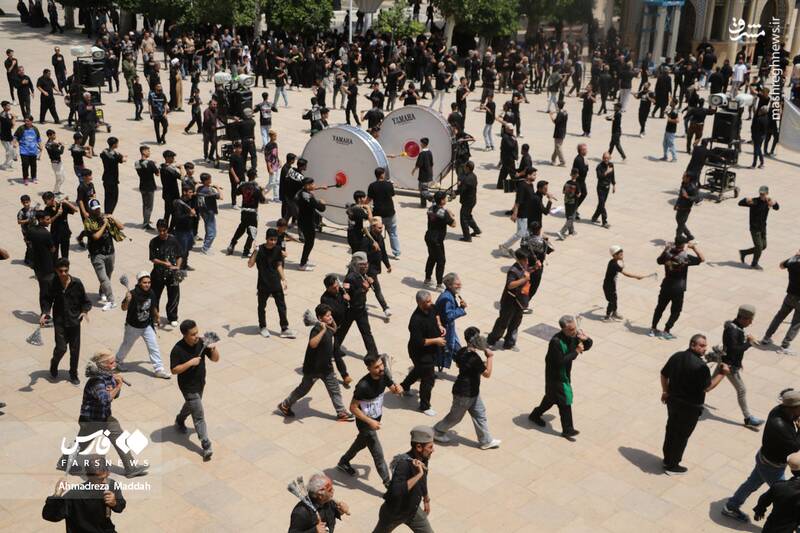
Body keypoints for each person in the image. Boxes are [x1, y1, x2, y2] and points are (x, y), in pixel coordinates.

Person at [57, 350, 149, 478]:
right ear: (103, 365)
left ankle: (131, 468)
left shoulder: (107, 377)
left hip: (104, 417)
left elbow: (113, 396)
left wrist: (115, 386)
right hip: (91, 421)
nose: (114, 364)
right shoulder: (96, 382)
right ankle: (64, 462)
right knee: (81, 444)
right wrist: (118, 386)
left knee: (119, 438)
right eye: (111, 363)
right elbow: (106, 399)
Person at [722, 389, 800, 521]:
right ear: (792, 408)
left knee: (751, 483)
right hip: (772, 467)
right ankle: (788, 523)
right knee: (785, 494)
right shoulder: (780, 425)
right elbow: (796, 448)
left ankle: (731, 506)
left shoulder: (779, 410)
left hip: (764, 459)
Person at [660, 334, 729, 474]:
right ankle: (672, 465)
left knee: (671, 430)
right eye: (701, 345)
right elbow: (707, 387)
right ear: (692, 345)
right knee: (682, 435)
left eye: (705, 346)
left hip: (673, 402)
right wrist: (722, 374)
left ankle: (667, 459)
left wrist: (665, 391)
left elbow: (663, 374)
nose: (705, 348)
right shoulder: (701, 367)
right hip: (689, 408)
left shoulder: (677, 356)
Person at [278, 304, 355, 422]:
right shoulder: (317, 330)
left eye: (330, 315)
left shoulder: (328, 327)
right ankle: (285, 405)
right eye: (327, 316)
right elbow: (312, 344)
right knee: (303, 389)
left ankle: (341, 412)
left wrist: (330, 322)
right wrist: (323, 330)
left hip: (326, 367)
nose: (330, 317)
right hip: (313, 369)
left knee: (334, 389)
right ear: (320, 318)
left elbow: (334, 330)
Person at [338, 352, 403, 487]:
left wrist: (398, 389)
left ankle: (343, 461)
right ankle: (388, 484)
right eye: (376, 367)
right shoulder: (363, 386)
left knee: (361, 443)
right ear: (369, 368)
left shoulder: (384, 375)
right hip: (365, 423)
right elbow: (353, 408)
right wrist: (370, 421)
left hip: (375, 419)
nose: (381, 368)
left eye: (381, 365)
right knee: (378, 454)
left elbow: (393, 389)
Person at [433, 327, 501, 450]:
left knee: (480, 414)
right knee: (455, 417)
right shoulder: (474, 358)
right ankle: (437, 431)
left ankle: (486, 441)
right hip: (464, 393)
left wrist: (478, 366)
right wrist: (490, 358)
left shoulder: (462, 351)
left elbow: (459, 364)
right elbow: (487, 374)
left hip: (472, 391)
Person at [529, 315, 593, 440]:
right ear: (563, 329)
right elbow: (560, 362)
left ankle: (535, 414)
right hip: (555, 376)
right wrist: (576, 351)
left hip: (564, 374)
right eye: (571, 329)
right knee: (565, 400)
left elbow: (587, 346)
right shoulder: (556, 342)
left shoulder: (574, 336)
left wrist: (586, 340)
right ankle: (568, 430)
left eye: (575, 328)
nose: (574, 331)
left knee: (551, 398)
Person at [170, 319, 220, 461]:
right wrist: (190, 363)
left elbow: (216, 359)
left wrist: (213, 348)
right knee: (198, 416)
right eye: (192, 334)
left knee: (191, 405)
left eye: (197, 332)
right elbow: (174, 370)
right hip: (188, 387)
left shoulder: (202, 343)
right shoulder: (177, 349)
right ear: (185, 335)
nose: (196, 336)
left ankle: (180, 419)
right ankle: (206, 444)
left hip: (200, 383)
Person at [371, 425, 435, 533]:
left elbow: (423, 480)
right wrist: (419, 474)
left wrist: (426, 498)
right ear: (419, 447)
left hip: (413, 511)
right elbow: (396, 491)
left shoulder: (423, 458)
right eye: (430, 447)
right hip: (393, 514)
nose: (433, 450)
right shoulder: (403, 464)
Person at [42, 454, 126, 531]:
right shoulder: (74, 495)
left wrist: (114, 503)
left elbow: (120, 507)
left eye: (105, 477)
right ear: (88, 476)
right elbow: (50, 515)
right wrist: (57, 494)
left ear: (108, 473)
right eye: (99, 479)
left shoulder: (111, 485)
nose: (104, 482)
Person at [41, 258, 90, 385]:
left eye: (66, 270)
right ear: (56, 271)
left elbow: (86, 301)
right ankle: (54, 364)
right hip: (60, 321)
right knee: (61, 348)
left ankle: (73, 373)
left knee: (75, 350)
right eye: (60, 271)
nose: (63, 273)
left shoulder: (77, 283)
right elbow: (47, 299)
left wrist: (84, 311)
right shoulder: (51, 283)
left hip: (74, 321)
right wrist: (45, 312)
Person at [115, 271, 171, 379]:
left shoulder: (151, 293)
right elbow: (123, 308)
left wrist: (157, 316)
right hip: (133, 327)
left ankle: (159, 369)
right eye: (145, 282)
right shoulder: (132, 294)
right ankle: (118, 361)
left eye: (149, 282)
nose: (147, 285)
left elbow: (153, 306)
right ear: (139, 283)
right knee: (126, 345)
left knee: (154, 346)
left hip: (147, 326)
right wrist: (127, 300)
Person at [400, 291, 445, 416]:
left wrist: (440, 325)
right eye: (427, 302)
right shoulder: (415, 320)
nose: (431, 303)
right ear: (419, 303)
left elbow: (437, 314)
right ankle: (424, 406)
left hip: (431, 350)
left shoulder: (431, 307)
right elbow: (419, 342)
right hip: (420, 353)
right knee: (428, 379)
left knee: (419, 370)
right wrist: (436, 340)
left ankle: (404, 386)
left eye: (430, 300)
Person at [650, 238, 705, 339]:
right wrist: (694, 248)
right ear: (683, 245)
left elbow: (658, 261)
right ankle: (666, 330)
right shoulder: (685, 257)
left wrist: (666, 249)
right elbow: (702, 259)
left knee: (660, 308)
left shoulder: (667, 254)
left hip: (666, 286)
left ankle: (653, 328)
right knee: (676, 311)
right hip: (678, 289)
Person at [249, 228, 294, 339]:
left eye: (275, 240)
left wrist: (283, 279)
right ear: (266, 238)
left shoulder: (277, 249)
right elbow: (250, 264)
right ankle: (262, 327)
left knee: (282, 306)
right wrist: (255, 252)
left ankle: (284, 328)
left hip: (275, 283)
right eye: (271, 239)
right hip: (263, 284)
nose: (273, 242)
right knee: (261, 307)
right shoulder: (259, 249)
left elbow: (279, 265)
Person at [85, 199, 123, 310]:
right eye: (94, 209)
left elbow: (121, 227)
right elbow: (96, 236)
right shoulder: (88, 222)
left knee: (108, 275)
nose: (97, 210)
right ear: (90, 210)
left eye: (98, 208)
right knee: (103, 278)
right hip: (97, 255)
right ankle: (111, 301)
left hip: (110, 252)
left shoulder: (104, 217)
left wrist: (112, 218)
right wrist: (104, 225)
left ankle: (102, 291)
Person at [761, 251, 800, 355]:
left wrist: (793, 257)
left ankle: (766, 337)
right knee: (796, 323)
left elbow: (781, 265)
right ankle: (785, 346)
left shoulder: (792, 262)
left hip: (790, 295)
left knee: (779, 317)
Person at [752, 451, 800, 531]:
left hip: (771, 525)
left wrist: (759, 512)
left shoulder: (778, 486)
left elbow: (764, 499)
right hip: (788, 527)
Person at [149, 219, 183, 328]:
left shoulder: (174, 240)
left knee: (174, 296)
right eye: (160, 231)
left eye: (164, 230)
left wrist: (177, 267)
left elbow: (179, 255)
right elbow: (153, 258)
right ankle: (155, 316)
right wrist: (164, 263)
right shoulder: (153, 242)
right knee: (154, 296)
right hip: (158, 274)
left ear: (167, 229)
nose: (162, 233)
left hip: (172, 275)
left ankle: (172, 317)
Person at [226, 168, 265, 258]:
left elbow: (236, 192)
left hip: (244, 212)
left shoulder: (243, 185)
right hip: (252, 213)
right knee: (252, 232)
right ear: (255, 176)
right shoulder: (256, 188)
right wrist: (262, 191)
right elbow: (263, 200)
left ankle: (232, 243)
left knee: (241, 228)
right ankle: (246, 251)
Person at [739, 186, 780, 270]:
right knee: (759, 247)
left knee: (763, 246)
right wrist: (745, 199)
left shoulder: (768, 201)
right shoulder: (754, 201)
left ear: (767, 194)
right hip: (754, 228)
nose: (761, 195)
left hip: (763, 228)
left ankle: (744, 252)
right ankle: (754, 264)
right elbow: (740, 203)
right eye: (760, 194)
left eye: (763, 194)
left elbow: (777, 208)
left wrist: (774, 203)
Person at [603, 246, 646, 321]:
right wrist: (636, 277)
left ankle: (614, 313)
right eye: (620, 255)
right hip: (608, 286)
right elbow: (626, 274)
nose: (622, 256)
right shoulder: (614, 265)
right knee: (611, 301)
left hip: (611, 285)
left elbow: (620, 267)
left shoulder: (613, 261)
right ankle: (607, 317)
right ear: (614, 255)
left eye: (622, 254)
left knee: (615, 299)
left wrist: (621, 261)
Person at [498, 167, 535, 255]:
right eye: (534, 175)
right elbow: (518, 201)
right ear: (528, 175)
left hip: (528, 213)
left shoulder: (530, 184)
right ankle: (504, 246)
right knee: (521, 233)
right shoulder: (522, 185)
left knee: (524, 233)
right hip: (522, 214)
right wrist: (515, 213)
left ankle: (526, 250)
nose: (535, 176)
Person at [423, 191, 455, 290]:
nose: (446, 199)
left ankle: (427, 278)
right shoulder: (443, 213)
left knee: (432, 257)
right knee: (441, 261)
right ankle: (439, 284)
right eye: (445, 198)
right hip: (436, 240)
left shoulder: (430, 209)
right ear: (442, 201)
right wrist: (450, 214)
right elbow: (453, 224)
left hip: (429, 237)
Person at [435, 273, 466, 372]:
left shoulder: (450, 295)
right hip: (446, 331)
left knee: (457, 352)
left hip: (449, 329)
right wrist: (461, 309)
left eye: (459, 283)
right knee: (457, 352)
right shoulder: (446, 298)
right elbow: (448, 316)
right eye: (457, 284)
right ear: (449, 285)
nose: (459, 286)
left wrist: (460, 307)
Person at [368, 166, 400, 258]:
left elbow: (369, 199)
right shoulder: (389, 184)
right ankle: (396, 253)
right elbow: (392, 194)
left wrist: (363, 205)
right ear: (382, 174)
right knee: (393, 233)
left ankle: (377, 250)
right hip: (390, 212)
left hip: (378, 214)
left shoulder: (372, 186)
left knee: (376, 233)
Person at [297, 177, 326, 271]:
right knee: (309, 243)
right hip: (308, 223)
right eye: (312, 184)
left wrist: (320, 187)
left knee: (308, 242)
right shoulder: (308, 197)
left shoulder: (301, 192)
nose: (314, 185)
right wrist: (322, 203)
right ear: (307, 185)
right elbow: (320, 208)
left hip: (302, 220)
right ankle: (303, 264)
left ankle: (305, 259)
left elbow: (311, 191)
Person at [196, 172, 221, 254]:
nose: (211, 180)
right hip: (209, 212)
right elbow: (220, 196)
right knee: (212, 232)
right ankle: (205, 248)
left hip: (203, 212)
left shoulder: (199, 188)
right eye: (210, 179)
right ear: (206, 181)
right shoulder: (209, 190)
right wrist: (217, 188)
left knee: (208, 228)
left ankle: (206, 245)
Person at [134, 145, 159, 231]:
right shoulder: (150, 163)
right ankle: (146, 223)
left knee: (145, 204)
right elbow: (157, 173)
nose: (149, 152)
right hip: (150, 187)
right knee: (149, 206)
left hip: (142, 186)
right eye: (148, 151)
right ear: (143, 152)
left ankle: (146, 219)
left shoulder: (136, 163)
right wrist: (155, 166)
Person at [13, 114, 42, 184]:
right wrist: (14, 143)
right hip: (24, 150)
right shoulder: (21, 128)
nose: (26, 122)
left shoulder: (35, 129)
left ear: (31, 121)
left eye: (28, 121)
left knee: (33, 165)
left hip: (33, 150)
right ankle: (25, 178)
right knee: (25, 165)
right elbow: (15, 136)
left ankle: (34, 177)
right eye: (25, 121)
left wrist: (41, 146)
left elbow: (38, 138)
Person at [100, 137, 126, 214]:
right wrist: (123, 157)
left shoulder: (104, 153)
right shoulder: (115, 156)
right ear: (114, 144)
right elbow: (122, 159)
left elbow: (104, 154)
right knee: (114, 198)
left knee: (107, 197)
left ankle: (107, 212)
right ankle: (109, 213)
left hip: (106, 178)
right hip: (113, 180)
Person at [455, 161, 480, 242]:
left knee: (463, 218)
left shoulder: (467, 179)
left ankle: (467, 237)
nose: (464, 168)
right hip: (472, 200)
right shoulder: (473, 176)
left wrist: (455, 192)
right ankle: (476, 230)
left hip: (467, 202)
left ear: (468, 168)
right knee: (468, 215)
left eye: (465, 167)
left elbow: (461, 190)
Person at [591, 152, 616, 228]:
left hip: (607, 188)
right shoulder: (599, 166)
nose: (606, 159)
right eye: (604, 158)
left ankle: (594, 217)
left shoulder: (611, 165)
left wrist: (614, 185)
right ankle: (604, 222)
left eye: (607, 158)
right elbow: (599, 177)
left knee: (601, 204)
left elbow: (612, 175)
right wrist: (606, 172)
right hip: (601, 188)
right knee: (602, 204)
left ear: (610, 158)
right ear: (602, 158)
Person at [674, 172, 699, 242]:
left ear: (688, 178)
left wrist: (688, 197)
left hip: (686, 209)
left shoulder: (693, 187)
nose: (682, 177)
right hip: (680, 207)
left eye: (684, 176)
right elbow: (680, 195)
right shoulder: (683, 184)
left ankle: (678, 239)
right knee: (679, 221)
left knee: (680, 225)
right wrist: (676, 204)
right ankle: (689, 235)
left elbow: (697, 199)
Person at [557, 170, 581, 240]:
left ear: (571, 174)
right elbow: (578, 194)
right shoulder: (576, 184)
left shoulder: (567, 182)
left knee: (568, 216)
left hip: (566, 201)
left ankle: (571, 231)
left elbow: (563, 191)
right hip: (573, 203)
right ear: (577, 175)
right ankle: (561, 232)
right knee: (571, 218)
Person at [412, 137, 434, 208]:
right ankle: (423, 204)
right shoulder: (430, 152)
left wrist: (413, 170)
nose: (420, 144)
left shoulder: (422, 153)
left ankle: (433, 199)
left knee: (423, 190)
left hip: (423, 175)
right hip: (428, 174)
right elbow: (432, 163)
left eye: (421, 143)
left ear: (423, 144)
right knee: (423, 189)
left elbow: (419, 164)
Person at [44, 129, 65, 195]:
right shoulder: (52, 145)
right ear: (49, 136)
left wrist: (58, 145)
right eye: (53, 135)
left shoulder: (48, 143)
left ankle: (57, 190)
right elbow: (60, 152)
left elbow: (54, 148)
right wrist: (62, 146)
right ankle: (55, 192)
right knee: (60, 179)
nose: (55, 136)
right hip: (56, 164)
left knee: (62, 178)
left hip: (57, 163)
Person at [549, 101, 567, 166]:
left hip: (559, 132)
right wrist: (556, 111)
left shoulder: (560, 114)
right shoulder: (565, 112)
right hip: (563, 131)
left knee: (558, 147)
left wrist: (551, 115)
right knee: (557, 147)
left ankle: (563, 161)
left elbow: (555, 122)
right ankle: (553, 159)